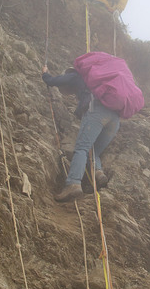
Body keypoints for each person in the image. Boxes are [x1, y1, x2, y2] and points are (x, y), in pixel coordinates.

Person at [41, 65, 120, 202]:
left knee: (82, 148)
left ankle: (73, 183)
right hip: (115, 119)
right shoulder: (96, 84)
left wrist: (46, 75)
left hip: (97, 111)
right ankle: (99, 173)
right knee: (93, 150)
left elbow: (57, 80)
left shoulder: (77, 75)